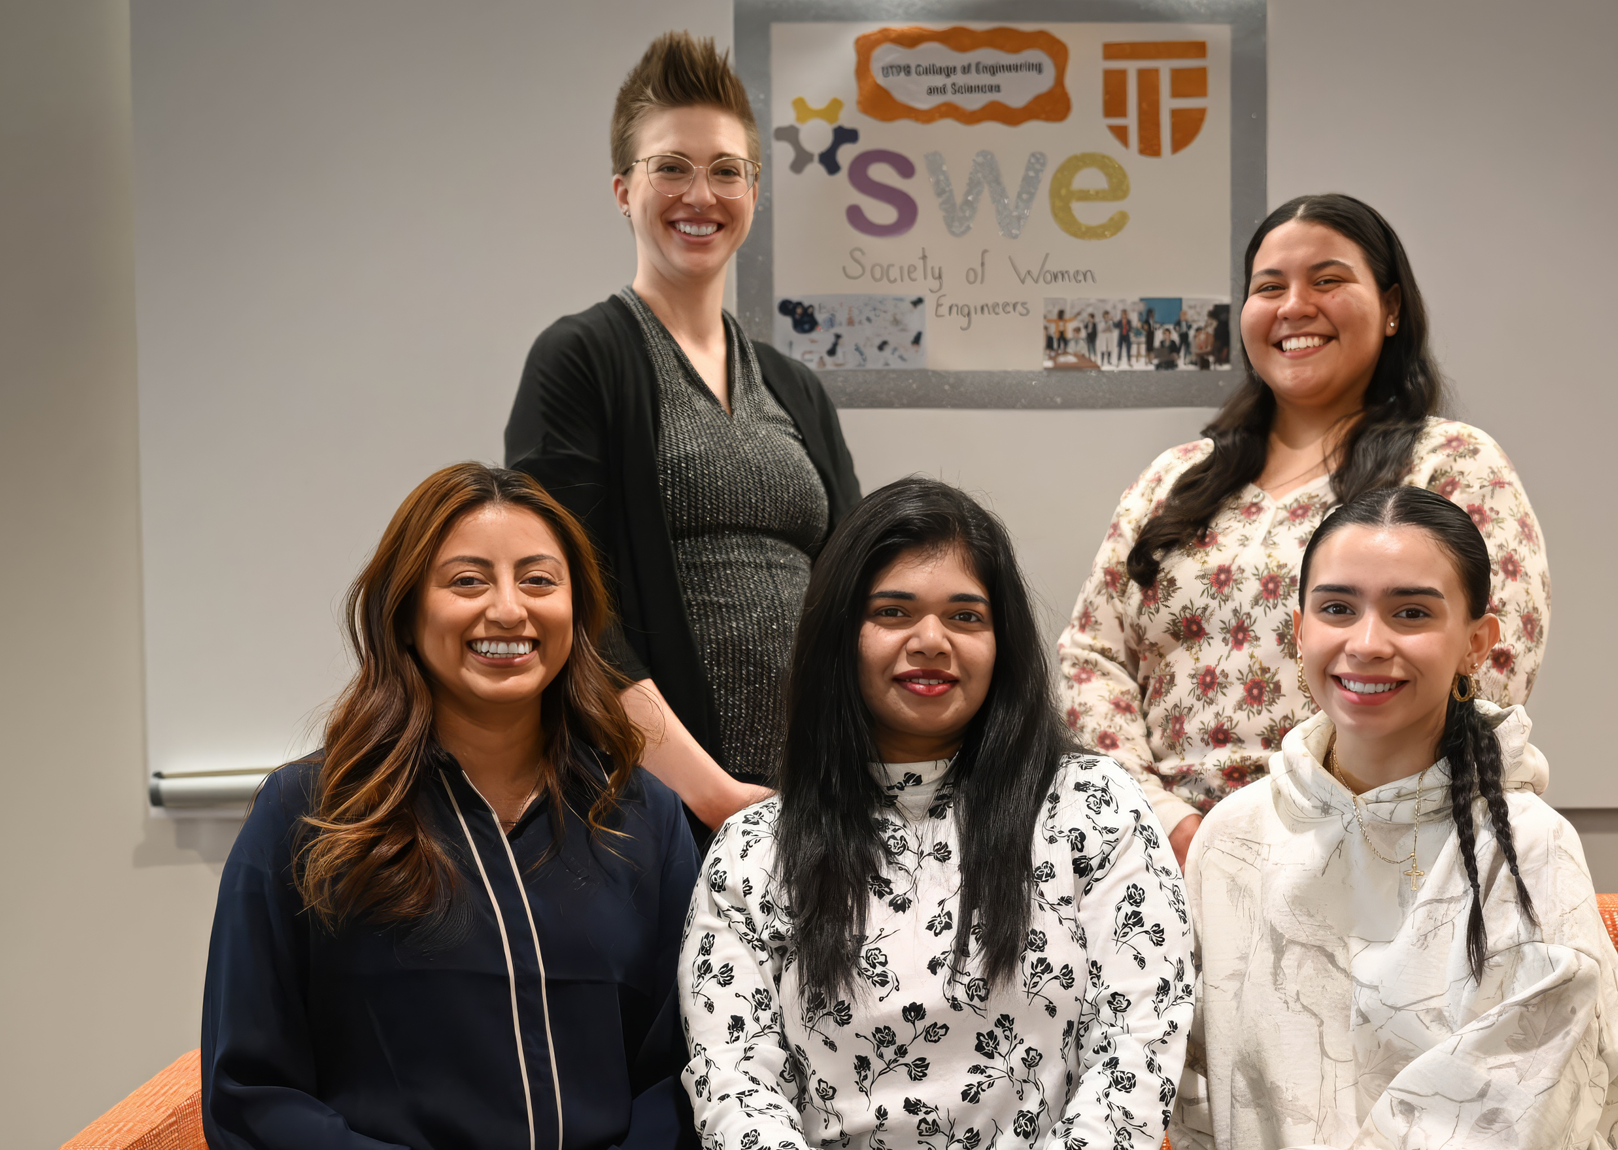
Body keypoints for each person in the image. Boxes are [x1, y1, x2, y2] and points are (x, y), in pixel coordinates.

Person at [679, 478, 1195, 1150]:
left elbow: (1138, 1046)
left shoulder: (1094, 809)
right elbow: (734, 1083)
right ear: (840, 635)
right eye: (892, 612)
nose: (930, 640)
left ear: (1001, 643)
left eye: (965, 616)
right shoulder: (755, 848)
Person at [202, 463, 700, 1150]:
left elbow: (682, 1074)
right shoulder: (306, 816)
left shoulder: (645, 818)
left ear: (578, 612)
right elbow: (252, 1096)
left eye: (538, 580)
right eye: (467, 580)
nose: (507, 609)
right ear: (405, 614)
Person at [1058, 193, 1551, 866]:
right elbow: (1092, 659)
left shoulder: (1454, 465)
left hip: (1371, 851)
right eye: (1269, 287)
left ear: (1393, 307)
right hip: (1159, 859)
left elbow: (1488, 666)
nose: (1294, 306)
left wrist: (1325, 821)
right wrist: (1167, 823)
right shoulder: (1174, 479)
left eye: (1328, 280)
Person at [1174, 486, 1618, 1150]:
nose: (1367, 644)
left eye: (1411, 613)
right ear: (1299, 630)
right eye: (1337, 608)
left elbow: (1517, 1110)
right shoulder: (1233, 838)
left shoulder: (1527, 846)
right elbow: (1197, 1091)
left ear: (1475, 643)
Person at [505, 31, 861, 843]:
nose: (700, 195)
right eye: (671, 167)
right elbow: (565, 607)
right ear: (624, 190)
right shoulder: (580, 360)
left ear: (754, 191)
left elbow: (862, 587)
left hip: (819, 803)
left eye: (726, 170)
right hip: (655, 812)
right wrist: (715, 796)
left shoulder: (797, 387)